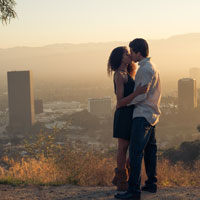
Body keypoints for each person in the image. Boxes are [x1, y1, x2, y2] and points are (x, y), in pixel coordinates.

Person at [115, 39, 161, 200]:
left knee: (135, 153)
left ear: (138, 52)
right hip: (152, 114)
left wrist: (125, 102)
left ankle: (134, 190)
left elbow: (141, 95)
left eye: (131, 52)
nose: (130, 55)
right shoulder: (152, 66)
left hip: (142, 114)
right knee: (150, 151)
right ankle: (151, 184)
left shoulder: (143, 70)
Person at [107, 46, 149, 191]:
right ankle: (122, 181)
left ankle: (119, 176)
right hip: (124, 114)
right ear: (120, 57)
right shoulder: (119, 75)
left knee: (135, 147)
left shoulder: (129, 72)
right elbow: (120, 101)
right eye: (126, 54)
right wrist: (137, 92)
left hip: (132, 113)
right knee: (123, 147)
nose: (129, 55)